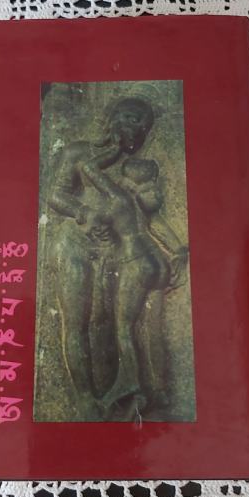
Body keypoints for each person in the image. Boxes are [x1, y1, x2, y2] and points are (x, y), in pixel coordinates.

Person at [49, 97, 155, 418]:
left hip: (114, 253)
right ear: (111, 119)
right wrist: (83, 213)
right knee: (76, 321)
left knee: (107, 323)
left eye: (141, 123)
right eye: (129, 117)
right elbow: (55, 194)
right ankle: (84, 398)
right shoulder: (78, 152)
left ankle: (116, 394)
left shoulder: (135, 170)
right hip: (74, 244)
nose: (133, 126)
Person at [81, 154, 188, 419]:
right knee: (152, 329)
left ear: (127, 180)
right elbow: (156, 224)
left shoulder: (117, 199)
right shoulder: (141, 204)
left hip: (135, 261)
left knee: (124, 327)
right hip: (157, 261)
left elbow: (88, 167)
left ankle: (131, 385)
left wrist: (102, 154)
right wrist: (179, 250)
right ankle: (159, 389)